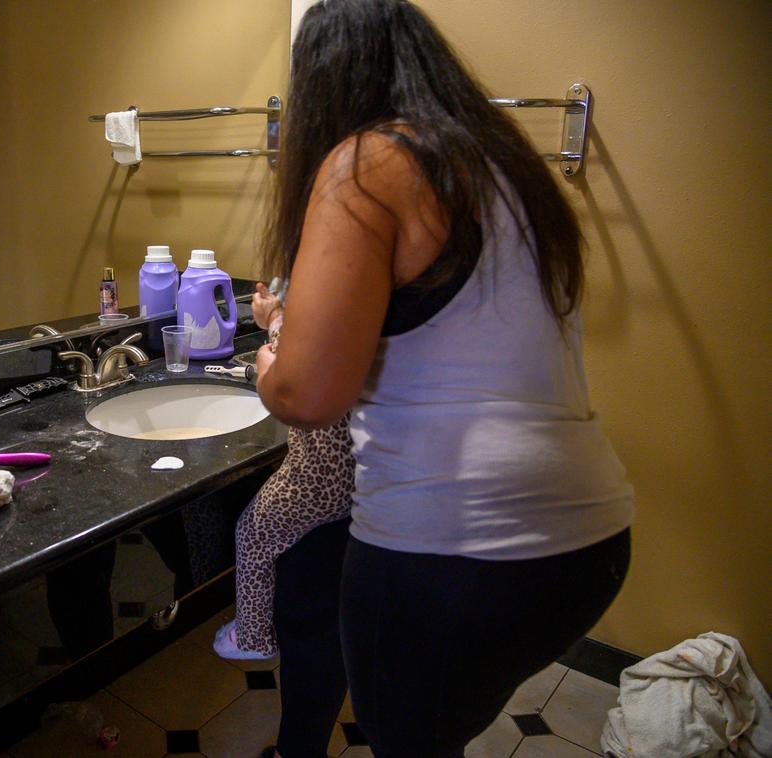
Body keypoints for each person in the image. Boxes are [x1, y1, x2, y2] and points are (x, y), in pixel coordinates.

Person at [254, 2, 634, 755]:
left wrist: (270, 368)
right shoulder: (507, 168)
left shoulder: (366, 161)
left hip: (454, 551)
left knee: (410, 738)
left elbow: (309, 394)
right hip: (592, 541)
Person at [212, 281, 354, 661]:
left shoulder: (333, 309)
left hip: (321, 472)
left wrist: (273, 328)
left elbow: (293, 379)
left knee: (253, 534)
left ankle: (253, 637)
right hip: (363, 473)